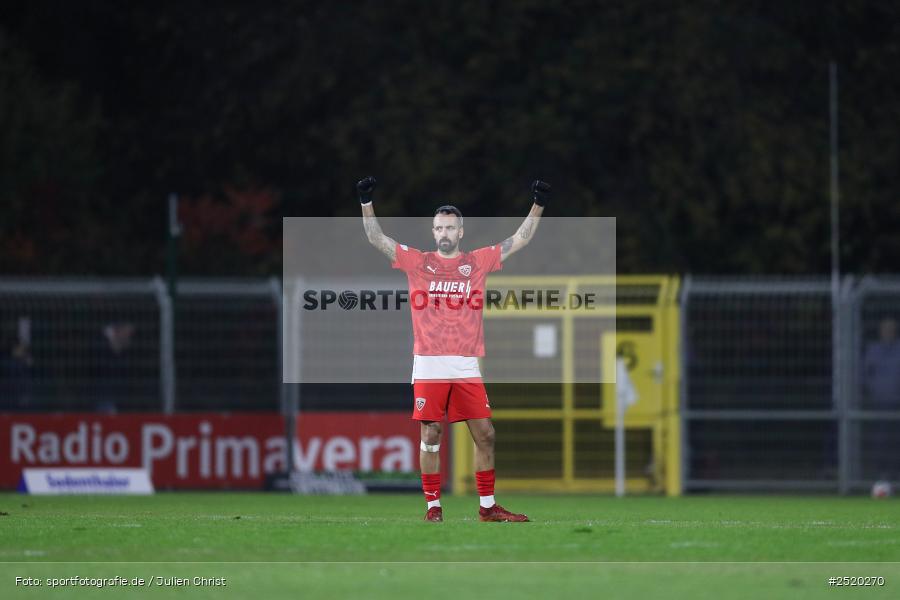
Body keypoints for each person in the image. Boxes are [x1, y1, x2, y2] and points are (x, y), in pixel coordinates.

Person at [358, 175, 549, 522]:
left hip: (465, 363)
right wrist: (366, 202)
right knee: (431, 434)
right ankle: (433, 508)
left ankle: (488, 507)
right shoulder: (418, 262)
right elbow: (376, 238)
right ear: (433, 232)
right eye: (438, 228)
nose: (443, 233)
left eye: (449, 227)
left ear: (460, 232)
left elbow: (520, 239)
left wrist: (538, 204)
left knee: (486, 435)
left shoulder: (477, 261)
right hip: (429, 362)